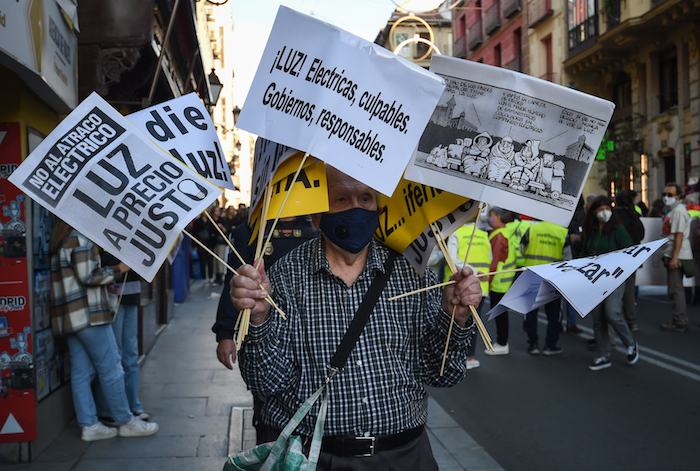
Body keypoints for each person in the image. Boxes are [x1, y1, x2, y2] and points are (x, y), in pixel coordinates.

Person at [230, 166, 482, 468]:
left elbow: (443, 374)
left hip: (404, 455)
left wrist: (454, 318)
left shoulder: (414, 274)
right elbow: (265, 382)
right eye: (341, 199)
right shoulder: (285, 276)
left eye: (365, 198)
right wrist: (259, 319)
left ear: (378, 207)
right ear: (317, 215)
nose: (356, 208)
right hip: (316, 458)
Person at [213, 215, 318, 443]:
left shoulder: (316, 227)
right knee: (266, 403)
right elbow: (234, 283)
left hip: (310, 334)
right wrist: (224, 333)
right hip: (262, 330)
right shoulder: (251, 231)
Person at [49, 220, 158, 441]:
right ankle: (126, 421)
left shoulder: (62, 240)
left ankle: (89, 424)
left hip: (72, 317)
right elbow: (87, 276)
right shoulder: (79, 237)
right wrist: (120, 268)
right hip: (89, 314)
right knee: (111, 367)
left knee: (81, 372)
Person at [581, 196, 639, 370]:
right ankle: (603, 355)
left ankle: (630, 343)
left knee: (612, 313)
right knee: (598, 319)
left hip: (614, 277)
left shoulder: (618, 230)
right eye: (600, 209)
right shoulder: (590, 231)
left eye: (607, 207)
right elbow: (584, 254)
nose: (604, 212)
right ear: (593, 212)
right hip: (595, 280)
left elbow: (629, 252)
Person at [95, 251, 149, 425]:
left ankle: (133, 404)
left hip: (131, 296)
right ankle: (108, 407)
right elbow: (101, 264)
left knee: (131, 353)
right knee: (114, 354)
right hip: (112, 298)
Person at [430, 222, 491, 369]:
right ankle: (468, 356)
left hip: (458, 286)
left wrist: (472, 272)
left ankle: (451, 357)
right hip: (480, 287)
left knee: (452, 322)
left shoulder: (457, 232)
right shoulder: (483, 235)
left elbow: (451, 258)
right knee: (473, 322)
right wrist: (479, 274)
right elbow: (490, 257)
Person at [520, 219, 569, 355]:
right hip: (553, 279)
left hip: (532, 276)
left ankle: (533, 344)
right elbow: (568, 259)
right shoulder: (563, 232)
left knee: (531, 312)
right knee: (554, 314)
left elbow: (521, 249)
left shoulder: (532, 229)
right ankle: (550, 345)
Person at [659, 183, 694, 332]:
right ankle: (678, 318)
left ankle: (679, 320)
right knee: (675, 288)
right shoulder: (674, 211)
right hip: (674, 253)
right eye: (665, 194)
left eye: (670, 195)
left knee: (675, 289)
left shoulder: (678, 211)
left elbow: (679, 235)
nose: (666, 197)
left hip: (677, 254)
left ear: (678, 197)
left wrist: (674, 257)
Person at [485, 207, 517, 356]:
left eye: (491, 216)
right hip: (506, 279)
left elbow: (494, 261)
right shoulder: (506, 231)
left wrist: (488, 282)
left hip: (499, 281)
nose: (489, 218)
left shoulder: (498, 235)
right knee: (501, 313)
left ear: (498, 217)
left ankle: (502, 343)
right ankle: (501, 342)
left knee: (500, 314)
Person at [614, 190, 645, 332]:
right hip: (632, 258)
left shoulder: (614, 216)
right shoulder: (634, 216)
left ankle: (614, 320)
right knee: (629, 292)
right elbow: (641, 234)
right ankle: (632, 322)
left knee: (613, 291)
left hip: (615, 258)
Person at [191, 210, 216, 284]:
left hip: (209, 243)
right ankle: (204, 277)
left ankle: (211, 277)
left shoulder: (210, 220)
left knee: (210, 261)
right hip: (201, 243)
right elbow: (194, 233)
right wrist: (195, 245)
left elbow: (214, 230)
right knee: (203, 261)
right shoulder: (198, 221)